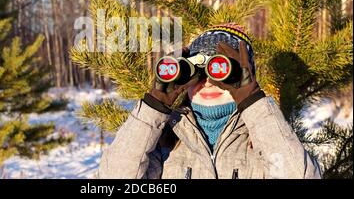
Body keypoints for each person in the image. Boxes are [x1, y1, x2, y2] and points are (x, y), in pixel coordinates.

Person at [98, 23, 321, 179]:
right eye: (197, 73)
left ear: (245, 78)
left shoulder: (263, 140)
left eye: (220, 72)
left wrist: (254, 103)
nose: (208, 82)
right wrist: (153, 106)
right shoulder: (167, 143)